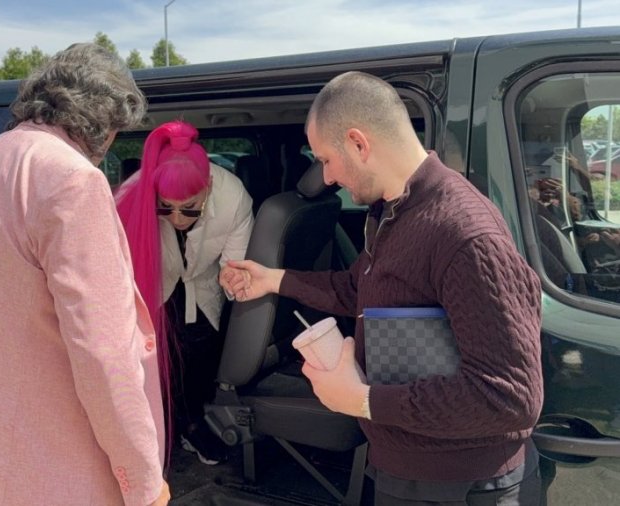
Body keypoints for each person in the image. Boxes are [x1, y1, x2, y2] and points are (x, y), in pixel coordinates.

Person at [221, 71, 544, 505]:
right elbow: (357, 289)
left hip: (461, 487)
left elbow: (509, 398)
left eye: (326, 159)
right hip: (407, 467)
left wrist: (363, 401)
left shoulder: (464, 234)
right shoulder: (391, 212)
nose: (327, 178)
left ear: (358, 143)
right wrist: (272, 279)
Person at [0, 43, 170, 506]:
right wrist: (142, 480)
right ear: (103, 121)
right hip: (57, 463)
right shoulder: (72, 179)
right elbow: (103, 352)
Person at [115, 120, 254, 466]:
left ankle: (187, 423)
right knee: (153, 364)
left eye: (190, 208)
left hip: (202, 284)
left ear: (208, 187)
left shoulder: (234, 197)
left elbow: (234, 264)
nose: (177, 219)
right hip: (150, 288)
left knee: (200, 353)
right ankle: (165, 430)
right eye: (165, 207)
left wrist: (233, 278)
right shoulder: (131, 195)